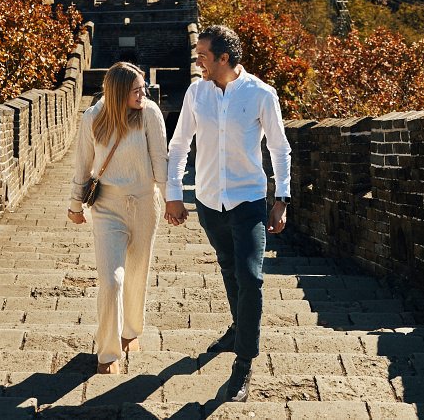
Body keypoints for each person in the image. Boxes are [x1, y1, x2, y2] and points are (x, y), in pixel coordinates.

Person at [165, 25, 291, 403]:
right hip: (208, 200)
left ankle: (244, 362)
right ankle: (239, 326)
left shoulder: (261, 95)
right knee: (227, 266)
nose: (197, 60)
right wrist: (174, 195)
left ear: (224, 58)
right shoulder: (196, 92)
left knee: (251, 277)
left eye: (202, 54)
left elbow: (280, 149)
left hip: (248, 200)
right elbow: (179, 143)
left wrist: (282, 197)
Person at [67, 62, 168, 374]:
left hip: (144, 204)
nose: (143, 94)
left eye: (143, 88)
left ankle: (130, 331)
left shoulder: (149, 113)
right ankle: (108, 352)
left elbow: (160, 161)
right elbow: (83, 165)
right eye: (136, 90)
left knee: (137, 273)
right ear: (118, 92)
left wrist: (172, 200)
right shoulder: (93, 117)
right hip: (107, 207)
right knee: (112, 281)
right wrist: (75, 204)